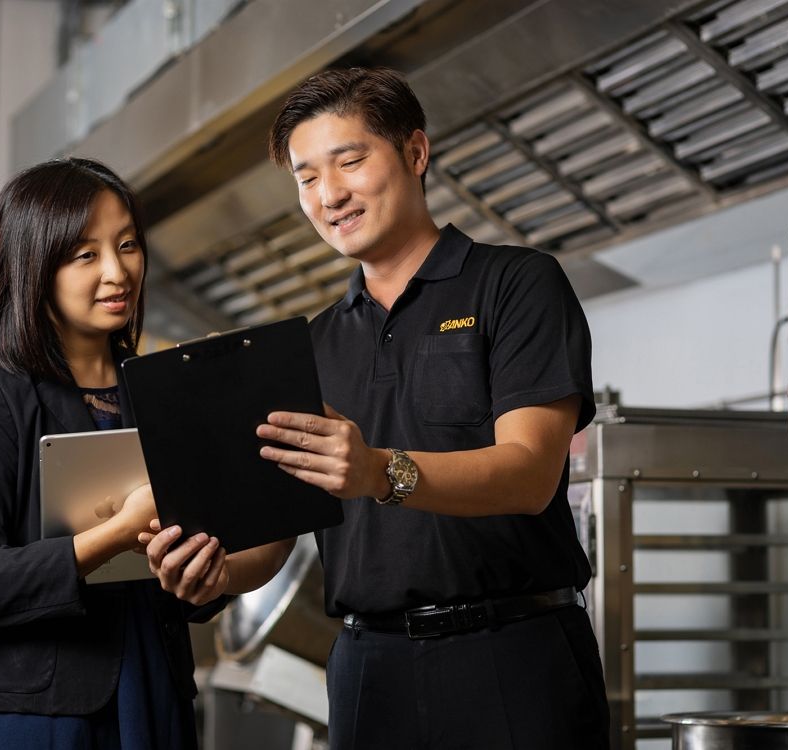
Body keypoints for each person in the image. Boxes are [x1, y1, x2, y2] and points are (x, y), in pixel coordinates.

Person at [255, 67, 611, 749]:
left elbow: (531, 473)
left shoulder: (517, 284)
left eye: (349, 161)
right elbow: (274, 533)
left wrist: (380, 471)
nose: (328, 195)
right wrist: (202, 567)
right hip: (367, 671)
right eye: (305, 178)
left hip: (512, 654)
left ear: (415, 152)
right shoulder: (309, 344)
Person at [0, 158, 294, 749]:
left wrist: (206, 574)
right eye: (85, 254)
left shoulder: (169, 393)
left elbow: (220, 557)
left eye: (127, 245)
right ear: (34, 267)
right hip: (34, 716)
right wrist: (117, 533)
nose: (118, 271)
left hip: (153, 689)